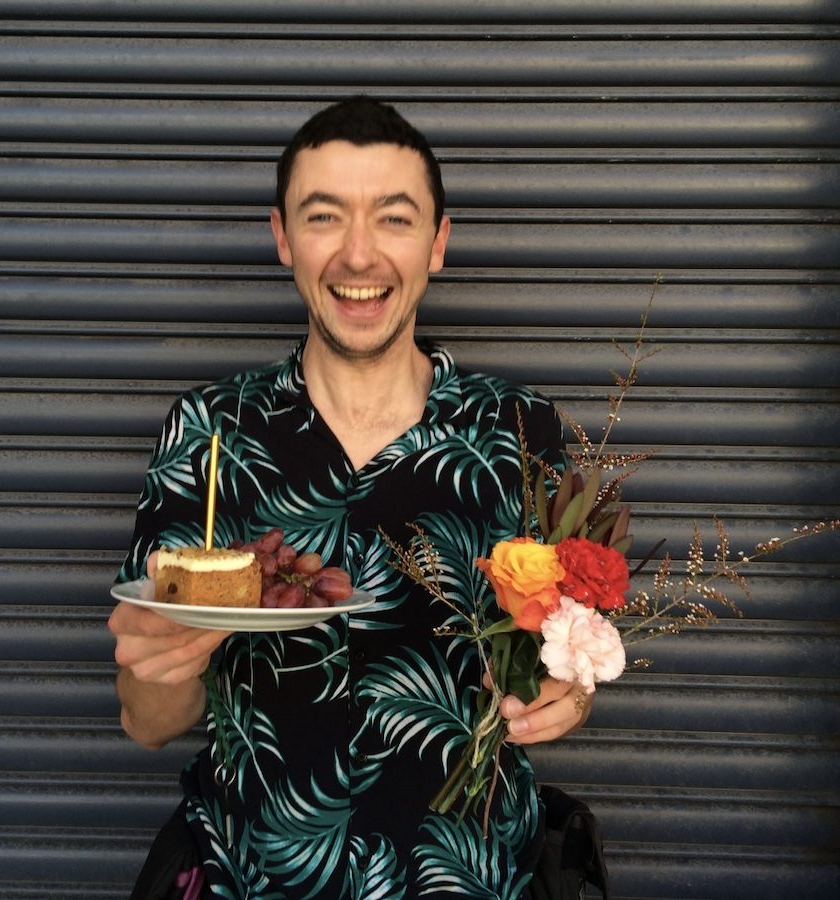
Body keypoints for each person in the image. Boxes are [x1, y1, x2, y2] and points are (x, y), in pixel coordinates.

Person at [108, 94, 591, 899]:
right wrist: (167, 659)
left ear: (438, 244)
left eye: (395, 220)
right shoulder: (210, 430)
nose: (358, 256)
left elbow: (566, 659)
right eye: (324, 217)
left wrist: (569, 697)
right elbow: (147, 723)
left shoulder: (519, 431)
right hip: (251, 881)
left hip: (472, 881)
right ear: (282, 238)